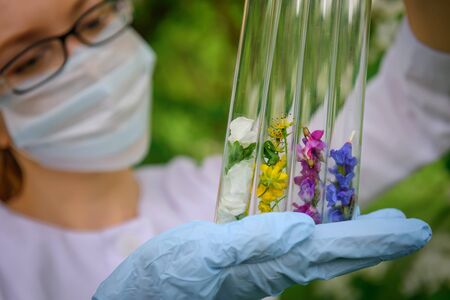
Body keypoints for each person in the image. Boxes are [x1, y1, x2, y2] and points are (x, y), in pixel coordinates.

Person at [0, 0, 445, 299]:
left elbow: (415, 104)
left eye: (94, 20)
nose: (87, 63)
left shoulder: (240, 194)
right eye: (29, 59)